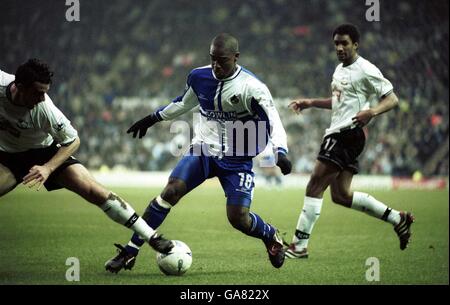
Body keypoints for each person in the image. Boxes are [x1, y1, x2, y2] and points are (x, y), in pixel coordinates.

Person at [105, 33, 292, 272]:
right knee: (170, 191)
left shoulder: (252, 88)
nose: (216, 65)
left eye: (222, 60)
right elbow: (183, 103)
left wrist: (281, 151)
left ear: (236, 57)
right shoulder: (198, 76)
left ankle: (270, 235)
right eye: (212, 58)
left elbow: (274, 120)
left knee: (238, 218)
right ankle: (130, 251)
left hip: (238, 158)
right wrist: (152, 118)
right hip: (203, 149)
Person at [0, 59, 173, 270]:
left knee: (93, 190)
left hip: (45, 151)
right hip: (8, 157)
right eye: (37, 92)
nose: (42, 98)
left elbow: (73, 141)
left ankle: (152, 237)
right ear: (19, 86)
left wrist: (48, 168)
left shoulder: (45, 109)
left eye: (45, 92)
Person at [285, 24, 414, 259]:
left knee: (314, 185)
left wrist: (372, 112)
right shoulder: (339, 70)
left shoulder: (366, 69)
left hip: (345, 134)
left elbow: (392, 98)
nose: (340, 47)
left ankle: (299, 246)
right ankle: (398, 218)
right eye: (336, 43)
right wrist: (311, 102)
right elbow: (340, 102)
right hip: (345, 134)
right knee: (341, 195)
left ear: (356, 44)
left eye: (344, 43)